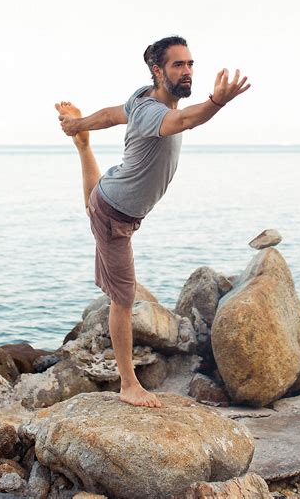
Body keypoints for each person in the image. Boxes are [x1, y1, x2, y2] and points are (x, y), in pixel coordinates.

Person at [55, 35, 251, 408]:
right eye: (179, 65)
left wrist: (79, 123)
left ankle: (83, 147)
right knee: (123, 299)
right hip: (115, 214)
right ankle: (128, 384)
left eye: (191, 64)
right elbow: (185, 120)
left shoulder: (143, 96)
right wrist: (217, 102)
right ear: (158, 70)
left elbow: (114, 113)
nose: (188, 71)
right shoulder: (153, 112)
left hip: (113, 200)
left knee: (93, 204)